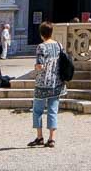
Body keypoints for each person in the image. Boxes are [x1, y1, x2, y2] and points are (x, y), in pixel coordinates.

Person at [29, 21, 64, 149]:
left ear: (41, 34)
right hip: (56, 82)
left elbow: (40, 66)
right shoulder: (59, 45)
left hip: (42, 83)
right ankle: (52, 138)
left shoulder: (41, 47)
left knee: (38, 110)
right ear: (51, 32)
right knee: (53, 110)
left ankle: (39, 137)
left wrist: (36, 68)